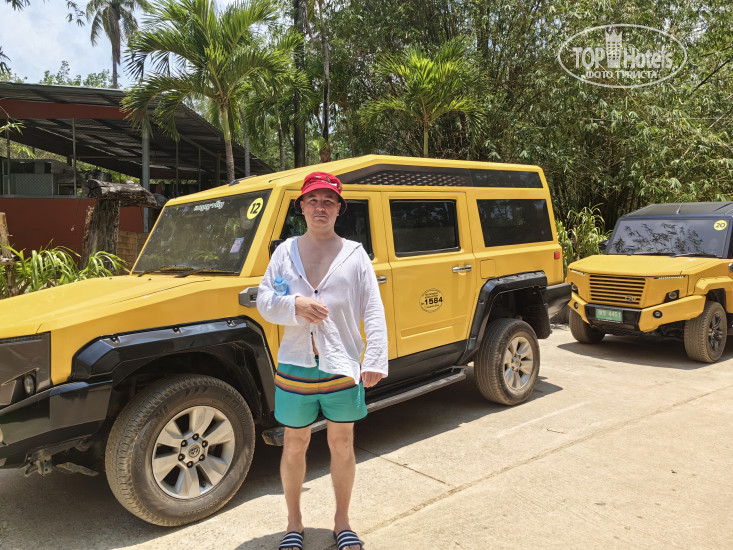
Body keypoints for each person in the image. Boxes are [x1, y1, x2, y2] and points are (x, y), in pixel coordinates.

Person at [257, 172, 388, 550]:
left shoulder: (354, 254)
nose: (320, 207)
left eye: (328, 201)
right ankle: (293, 525)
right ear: (301, 207)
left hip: (341, 365)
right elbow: (264, 301)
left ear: (339, 209)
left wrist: (375, 357)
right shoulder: (284, 253)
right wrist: (293, 305)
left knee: (342, 442)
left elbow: (373, 308)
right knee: (294, 443)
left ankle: (342, 522)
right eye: (313, 200)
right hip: (295, 366)